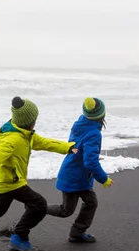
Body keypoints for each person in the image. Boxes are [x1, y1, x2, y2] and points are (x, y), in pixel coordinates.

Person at [0, 96, 77, 251]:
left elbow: (45, 143)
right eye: (35, 119)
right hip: (11, 182)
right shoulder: (12, 140)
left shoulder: (26, 135)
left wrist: (68, 147)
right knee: (39, 204)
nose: (35, 122)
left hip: (8, 181)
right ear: (30, 121)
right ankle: (19, 237)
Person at [46, 97, 113, 243]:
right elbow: (90, 162)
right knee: (66, 211)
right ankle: (39, 207)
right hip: (74, 177)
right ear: (102, 115)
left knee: (91, 202)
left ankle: (77, 232)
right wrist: (104, 179)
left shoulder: (79, 125)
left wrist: (89, 157)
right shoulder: (94, 133)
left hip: (75, 173)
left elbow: (78, 148)